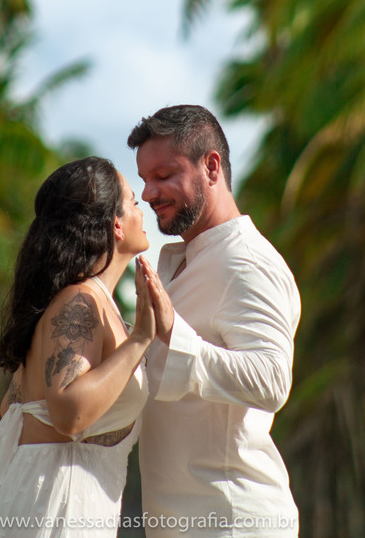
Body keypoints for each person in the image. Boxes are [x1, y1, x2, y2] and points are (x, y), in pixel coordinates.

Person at [129, 105, 300, 537]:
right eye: (144, 179)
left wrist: (172, 333)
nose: (148, 193)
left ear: (211, 166)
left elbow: (272, 379)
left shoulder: (248, 262)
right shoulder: (175, 263)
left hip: (232, 521)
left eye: (164, 175)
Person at [0, 157, 159, 537]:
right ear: (115, 225)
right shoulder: (79, 301)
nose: (142, 210)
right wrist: (140, 338)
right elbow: (69, 412)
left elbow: (13, 407)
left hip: (54, 500)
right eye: (133, 202)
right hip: (56, 508)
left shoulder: (83, 300)